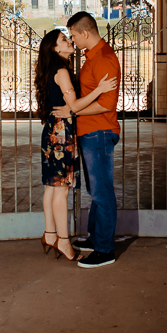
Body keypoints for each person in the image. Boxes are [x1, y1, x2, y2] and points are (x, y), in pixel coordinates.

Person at [34, 29, 117, 261]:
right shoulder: (61, 71)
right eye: (64, 39)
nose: (69, 41)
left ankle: (50, 235)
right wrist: (99, 90)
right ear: (55, 48)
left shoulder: (51, 69)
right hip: (61, 131)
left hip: (52, 128)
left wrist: (71, 108)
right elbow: (75, 105)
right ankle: (63, 241)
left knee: (51, 187)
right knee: (61, 188)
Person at [53, 11, 121, 268]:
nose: (72, 40)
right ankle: (96, 239)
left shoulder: (104, 58)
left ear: (84, 33)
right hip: (89, 131)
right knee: (95, 191)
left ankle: (105, 250)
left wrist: (74, 110)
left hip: (100, 131)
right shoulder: (91, 57)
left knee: (102, 192)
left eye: (73, 35)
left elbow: (107, 104)